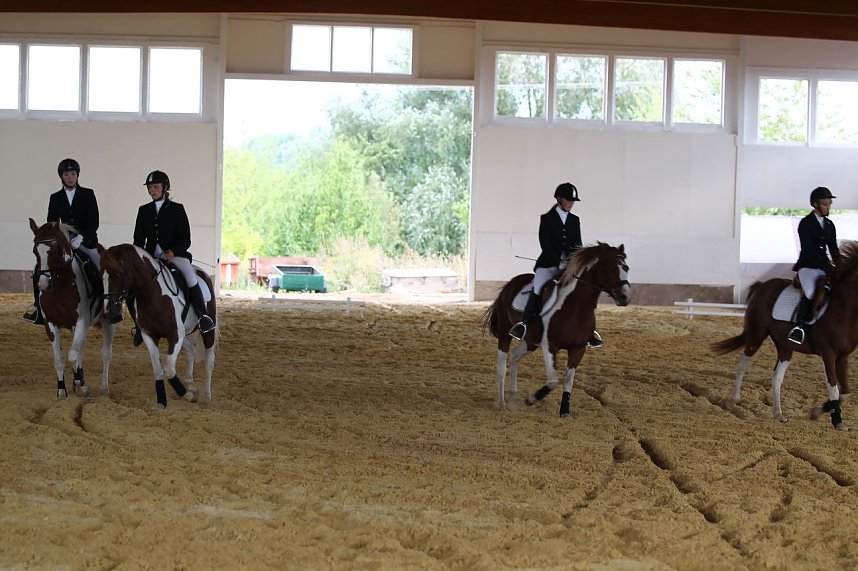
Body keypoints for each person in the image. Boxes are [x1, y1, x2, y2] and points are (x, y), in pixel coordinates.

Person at [509, 182, 602, 348]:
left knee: (582, 288)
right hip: (548, 265)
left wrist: (574, 262)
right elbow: (546, 244)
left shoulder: (575, 220)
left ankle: (588, 330)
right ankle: (523, 324)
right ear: (559, 199)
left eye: (573, 201)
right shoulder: (546, 219)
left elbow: (577, 245)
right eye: (568, 200)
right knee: (537, 287)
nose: (571, 203)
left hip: (569, 266)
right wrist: (558, 262)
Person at [131, 170, 215, 345]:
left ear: (165, 188)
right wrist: (140, 258)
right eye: (150, 187)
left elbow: (186, 238)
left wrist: (173, 252)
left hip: (175, 257)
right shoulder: (143, 210)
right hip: (152, 258)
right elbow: (138, 239)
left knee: (191, 278)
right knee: (133, 284)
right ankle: (139, 325)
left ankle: (203, 316)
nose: (152, 190)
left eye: (156, 186)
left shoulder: (177, 209)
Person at [23, 158, 101, 324]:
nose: (70, 177)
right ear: (61, 176)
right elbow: (52, 223)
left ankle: (105, 306)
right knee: (38, 268)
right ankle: (38, 308)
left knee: (99, 265)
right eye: (67, 174)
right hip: (63, 244)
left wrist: (81, 238)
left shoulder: (88, 194)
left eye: (73, 174)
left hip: (85, 242)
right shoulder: (55, 197)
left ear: (77, 175)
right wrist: (64, 240)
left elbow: (94, 221)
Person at [788, 186, 840, 345]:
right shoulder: (806, 223)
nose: (828, 206)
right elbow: (809, 250)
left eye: (829, 203)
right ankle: (800, 327)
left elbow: (833, 249)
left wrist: (840, 266)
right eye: (825, 203)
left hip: (824, 266)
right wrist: (826, 266)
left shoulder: (830, 224)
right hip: (807, 266)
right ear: (815, 204)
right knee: (811, 292)